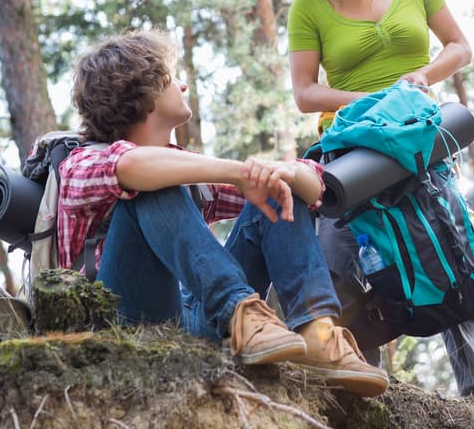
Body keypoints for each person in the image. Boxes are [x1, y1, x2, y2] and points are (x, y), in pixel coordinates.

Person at [57, 29, 389, 397]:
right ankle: (239, 312)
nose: (183, 86)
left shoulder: (189, 171)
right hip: (124, 323)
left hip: (197, 319)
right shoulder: (79, 164)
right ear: (143, 90)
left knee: (275, 189)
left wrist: (283, 173)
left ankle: (319, 336)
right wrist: (239, 171)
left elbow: (313, 191)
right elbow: (132, 166)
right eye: (171, 77)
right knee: (150, 188)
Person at [278, 0, 474, 397]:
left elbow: (459, 46)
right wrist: (372, 98)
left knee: (448, 249)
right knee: (341, 254)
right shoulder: (309, 8)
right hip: (352, 147)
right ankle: (355, 388)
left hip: (418, 138)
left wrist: (422, 77)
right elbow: (305, 93)